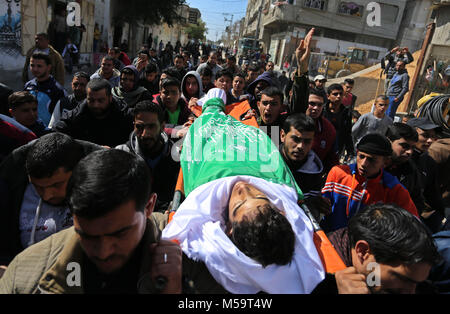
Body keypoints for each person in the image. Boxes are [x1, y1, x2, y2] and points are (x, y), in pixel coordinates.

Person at [162, 89, 326, 293]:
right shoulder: (280, 185)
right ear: (280, 209)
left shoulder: (203, 191)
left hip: (215, 148)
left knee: (212, 111)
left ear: (228, 226)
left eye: (238, 204)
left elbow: (202, 135)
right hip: (255, 151)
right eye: (259, 196)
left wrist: (212, 107)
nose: (244, 188)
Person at [0, 149, 224, 293]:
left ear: (149, 206)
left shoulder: (198, 257)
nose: (104, 251)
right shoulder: (26, 276)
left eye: (119, 233)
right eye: (87, 235)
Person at [0, 132, 103, 266]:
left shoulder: (101, 190)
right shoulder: (12, 189)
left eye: (56, 185)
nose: (48, 195)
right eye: (38, 187)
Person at [316, 203, 441, 294]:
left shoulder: (421, 286)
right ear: (363, 252)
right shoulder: (310, 275)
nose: (411, 292)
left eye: (417, 283)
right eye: (402, 279)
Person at [321, 133, 419, 232]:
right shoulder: (338, 173)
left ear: (385, 162)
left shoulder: (393, 189)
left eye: (371, 160)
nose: (364, 164)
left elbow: (413, 224)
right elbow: (323, 207)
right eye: (361, 156)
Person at [116, 101, 180, 212]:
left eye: (151, 127)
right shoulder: (122, 155)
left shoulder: (176, 157)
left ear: (162, 127)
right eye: (139, 127)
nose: (145, 134)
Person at [280, 113, 331, 221]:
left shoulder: (314, 173)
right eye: (296, 139)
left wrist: (314, 204)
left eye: (307, 142)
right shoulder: (267, 162)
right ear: (282, 136)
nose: (300, 147)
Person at [54, 79, 133, 148]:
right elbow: (58, 132)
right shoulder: (76, 116)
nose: (96, 105)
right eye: (91, 100)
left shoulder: (125, 115)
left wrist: (117, 149)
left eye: (100, 100)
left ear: (110, 98)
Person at [407, 117, 446, 231]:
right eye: (425, 135)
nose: (430, 140)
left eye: (432, 136)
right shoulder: (396, 160)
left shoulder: (428, 161)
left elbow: (432, 193)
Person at [24, 53, 68, 128]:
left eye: (39, 66)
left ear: (48, 67)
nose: (35, 69)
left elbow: (63, 117)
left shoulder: (58, 90)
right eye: (32, 65)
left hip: (47, 134)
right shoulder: (28, 85)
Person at [306, 88, 339, 173]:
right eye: (312, 104)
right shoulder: (286, 120)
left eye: (320, 105)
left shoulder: (329, 130)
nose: (316, 108)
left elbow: (333, 160)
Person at [323, 83, 354, 161]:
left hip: (338, 149)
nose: (338, 96)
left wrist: (350, 152)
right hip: (322, 147)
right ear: (328, 96)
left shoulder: (346, 112)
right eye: (335, 94)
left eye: (341, 94)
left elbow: (347, 133)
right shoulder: (322, 111)